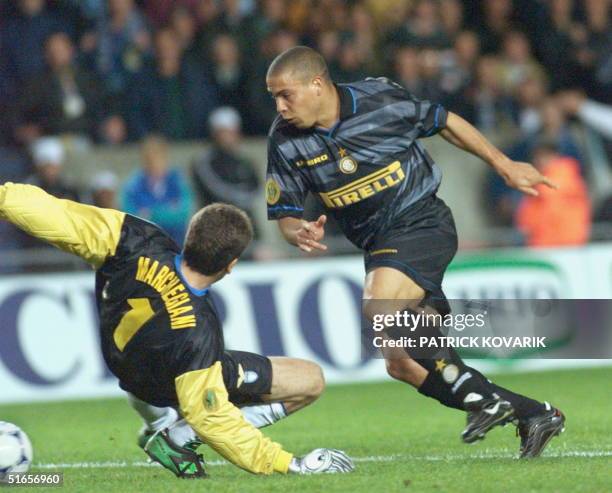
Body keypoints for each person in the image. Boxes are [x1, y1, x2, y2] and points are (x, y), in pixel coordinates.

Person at [265, 46, 565, 458]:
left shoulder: (379, 101)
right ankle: (533, 413)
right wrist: (296, 231)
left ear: (317, 84)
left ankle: (479, 399)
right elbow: (283, 215)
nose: (279, 107)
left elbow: (445, 122)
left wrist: (503, 164)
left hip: (421, 221)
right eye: (274, 98)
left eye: (286, 95)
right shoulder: (284, 141)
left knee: (379, 306)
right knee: (401, 362)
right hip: (378, 246)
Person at [0, 181, 354, 478]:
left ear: (189, 236)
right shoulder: (199, 334)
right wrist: (290, 464)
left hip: (124, 365)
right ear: (230, 266)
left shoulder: (136, 240)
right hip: (167, 380)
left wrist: (5, 198)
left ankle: (161, 425)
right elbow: (213, 419)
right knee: (310, 380)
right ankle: (176, 436)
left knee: (185, 379)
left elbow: (55, 216)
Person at [515, 140, 591, 247]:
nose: (540, 160)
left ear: (555, 155)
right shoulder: (538, 180)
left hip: (566, 242)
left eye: (544, 156)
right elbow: (526, 216)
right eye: (537, 156)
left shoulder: (565, 174)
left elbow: (549, 198)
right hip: (544, 243)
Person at [122, 134, 193, 246]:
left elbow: (183, 213)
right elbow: (131, 218)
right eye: (150, 158)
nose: (155, 162)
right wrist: (168, 211)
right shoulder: (133, 186)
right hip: (145, 245)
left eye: (158, 157)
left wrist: (152, 213)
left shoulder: (177, 181)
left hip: (176, 244)